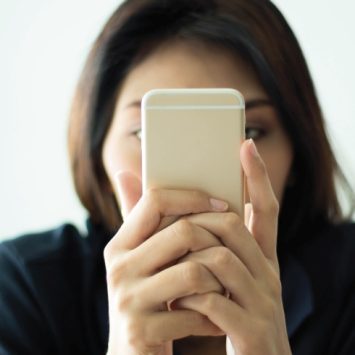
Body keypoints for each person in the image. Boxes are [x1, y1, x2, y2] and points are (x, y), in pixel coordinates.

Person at [0, 0, 354, 354]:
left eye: (248, 128)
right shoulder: (23, 288)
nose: (196, 178)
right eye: (147, 133)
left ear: (299, 154)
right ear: (98, 157)